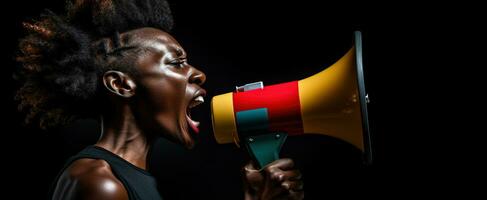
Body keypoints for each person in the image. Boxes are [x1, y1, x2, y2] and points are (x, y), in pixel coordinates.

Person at [14, 0, 303, 199]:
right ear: (121, 84)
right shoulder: (100, 183)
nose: (199, 74)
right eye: (176, 63)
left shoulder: (134, 179)